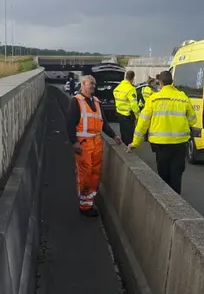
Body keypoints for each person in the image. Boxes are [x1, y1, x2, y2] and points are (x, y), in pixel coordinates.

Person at [126, 70, 196, 195]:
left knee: (163, 176)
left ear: (160, 82)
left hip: (160, 146)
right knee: (176, 175)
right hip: (179, 144)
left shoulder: (153, 99)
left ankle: (166, 201)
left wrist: (135, 143)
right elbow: (193, 120)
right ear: (172, 82)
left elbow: (142, 123)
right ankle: (176, 203)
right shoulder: (183, 98)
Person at [66, 75, 121, 217]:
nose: (93, 86)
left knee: (95, 173)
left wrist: (114, 135)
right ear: (83, 84)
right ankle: (84, 206)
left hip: (97, 143)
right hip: (83, 144)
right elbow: (70, 123)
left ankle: (89, 202)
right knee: (85, 173)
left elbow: (104, 123)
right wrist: (74, 142)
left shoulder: (96, 101)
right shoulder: (75, 101)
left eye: (94, 84)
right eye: (91, 84)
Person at [113, 70, 141, 146]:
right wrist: (138, 116)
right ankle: (128, 153)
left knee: (123, 135)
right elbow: (134, 105)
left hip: (119, 114)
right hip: (128, 116)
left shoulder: (118, 88)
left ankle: (124, 150)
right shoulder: (130, 89)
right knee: (129, 138)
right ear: (132, 78)